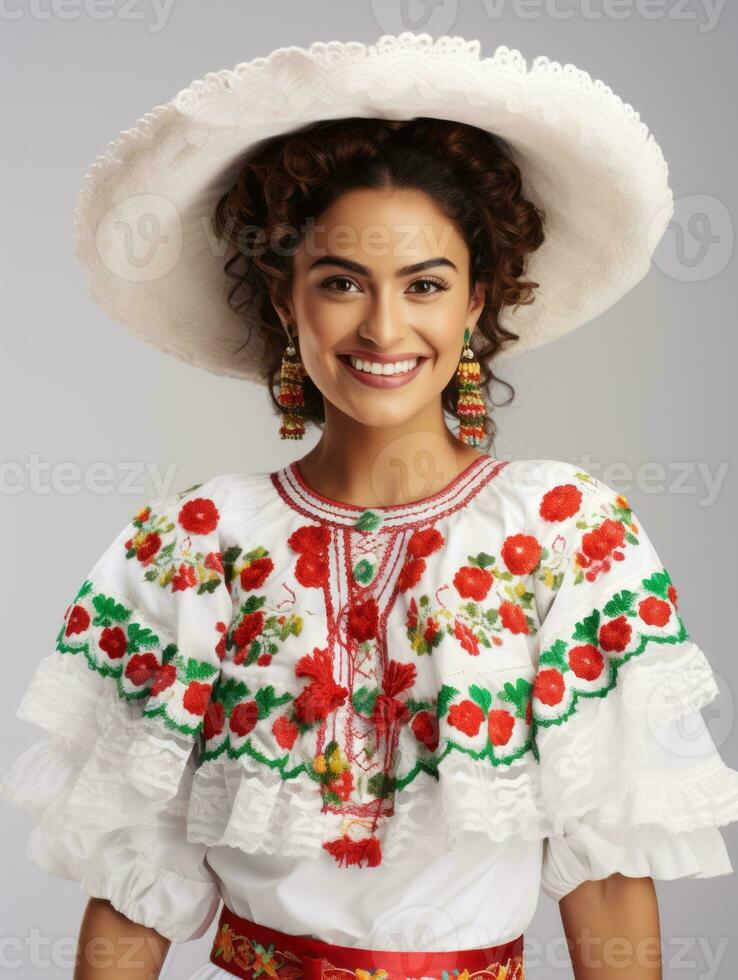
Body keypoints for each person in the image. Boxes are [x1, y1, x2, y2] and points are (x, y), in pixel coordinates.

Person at [3, 32, 737, 980]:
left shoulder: (565, 532)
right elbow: (134, 885)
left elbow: (606, 880)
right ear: (284, 302)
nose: (385, 328)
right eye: (341, 282)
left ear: (477, 303)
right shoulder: (196, 546)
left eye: (425, 285)